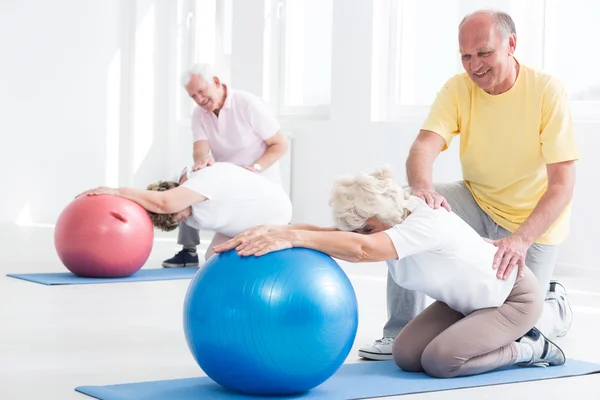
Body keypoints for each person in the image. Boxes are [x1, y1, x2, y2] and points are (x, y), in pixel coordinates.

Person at [356, 9, 579, 361]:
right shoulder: (458, 88)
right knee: (403, 204)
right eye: (465, 56)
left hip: (530, 222)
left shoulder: (546, 91)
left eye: (484, 53)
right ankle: (398, 328)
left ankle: (556, 307)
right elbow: (424, 145)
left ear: (511, 45)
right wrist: (422, 190)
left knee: (517, 320)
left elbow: (563, 185)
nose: (474, 66)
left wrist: (521, 239)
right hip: (478, 199)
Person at [213, 166, 566, 378]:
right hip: (466, 303)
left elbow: (361, 249)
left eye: (365, 228)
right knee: (406, 355)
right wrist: (274, 230)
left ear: (380, 217)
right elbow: (342, 237)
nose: (359, 235)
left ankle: (530, 349)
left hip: (512, 299)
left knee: (441, 361)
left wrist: (292, 237)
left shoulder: (426, 222)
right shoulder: (388, 221)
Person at [163, 63, 289, 268]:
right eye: (193, 96)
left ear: (216, 82)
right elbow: (200, 148)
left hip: (259, 184)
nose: (199, 99)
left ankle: (276, 232)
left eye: (201, 92)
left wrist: (255, 168)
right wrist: (202, 161)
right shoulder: (199, 114)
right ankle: (188, 250)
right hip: (228, 185)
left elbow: (280, 144)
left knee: (224, 259)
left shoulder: (247, 104)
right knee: (186, 180)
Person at [79, 162, 292, 260]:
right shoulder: (191, 207)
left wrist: (117, 192)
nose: (184, 217)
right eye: (179, 219)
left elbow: (163, 203)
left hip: (272, 212)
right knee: (211, 262)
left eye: (178, 213)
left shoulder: (203, 181)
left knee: (227, 264)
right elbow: (162, 206)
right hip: (241, 221)